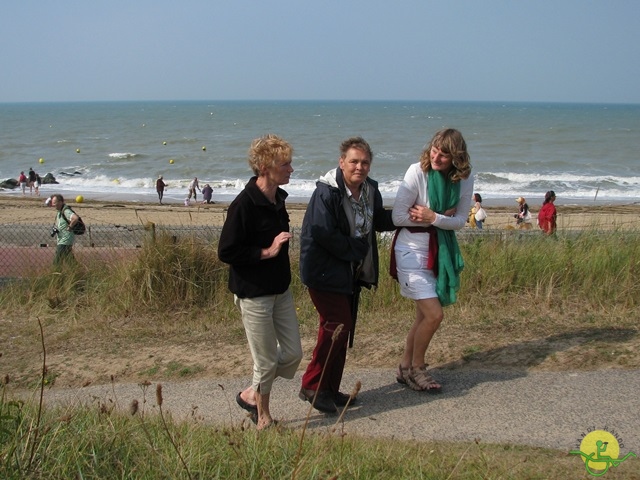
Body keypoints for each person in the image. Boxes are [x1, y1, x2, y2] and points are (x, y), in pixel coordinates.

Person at [299, 136, 395, 414]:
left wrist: (405, 216)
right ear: (342, 163)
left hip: (349, 272)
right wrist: (356, 249)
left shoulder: (370, 191)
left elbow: (377, 221)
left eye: (365, 162)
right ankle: (312, 386)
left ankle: (328, 389)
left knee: (340, 329)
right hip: (323, 270)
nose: (360, 167)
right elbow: (322, 232)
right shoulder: (326, 192)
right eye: (354, 161)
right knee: (336, 326)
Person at [218, 134, 302, 431]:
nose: (291, 168)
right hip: (253, 294)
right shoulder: (243, 205)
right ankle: (263, 415)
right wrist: (267, 251)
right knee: (265, 362)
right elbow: (226, 251)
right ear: (265, 167)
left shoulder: (277, 198)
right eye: (285, 164)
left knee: (293, 354)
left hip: (280, 289)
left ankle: (251, 393)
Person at [392, 128, 473, 392]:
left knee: (423, 316)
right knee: (434, 315)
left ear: (457, 158)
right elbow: (398, 217)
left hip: (438, 253)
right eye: (435, 150)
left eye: (444, 154)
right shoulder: (417, 172)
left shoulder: (463, 180)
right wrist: (439, 218)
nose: (436, 157)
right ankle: (418, 369)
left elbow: (460, 221)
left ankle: (405, 368)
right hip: (410, 252)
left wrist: (433, 217)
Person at [51, 193, 80, 266]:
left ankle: (55, 275)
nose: (53, 205)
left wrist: (70, 226)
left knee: (57, 261)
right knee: (70, 260)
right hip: (62, 239)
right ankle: (79, 273)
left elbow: (75, 218)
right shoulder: (59, 211)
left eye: (55, 203)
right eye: (53, 203)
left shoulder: (66, 211)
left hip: (65, 240)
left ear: (60, 202)